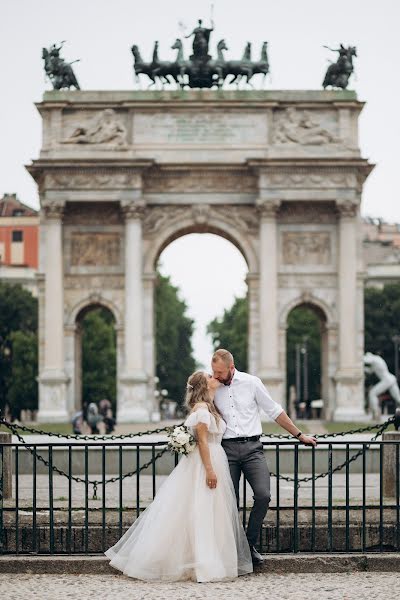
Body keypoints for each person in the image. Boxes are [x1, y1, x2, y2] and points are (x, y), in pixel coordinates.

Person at [105, 370, 253, 582]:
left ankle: (204, 559)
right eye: (210, 377)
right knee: (202, 511)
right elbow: (202, 442)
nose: (215, 378)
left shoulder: (209, 407)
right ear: (204, 385)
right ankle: (203, 563)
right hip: (206, 463)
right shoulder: (202, 410)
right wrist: (210, 470)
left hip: (213, 459)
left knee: (209, 512)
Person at [212, 349, 317, 566]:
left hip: (252, 448)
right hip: (226, 450)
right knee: (228, 503)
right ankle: (233, 549)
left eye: (220, 372)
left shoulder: (252, 383)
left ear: (232, 367)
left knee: (263, 495)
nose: (216, 376)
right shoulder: (213, 386)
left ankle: (248, 545)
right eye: (214, 372)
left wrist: (299, 435)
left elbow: (274, 411)